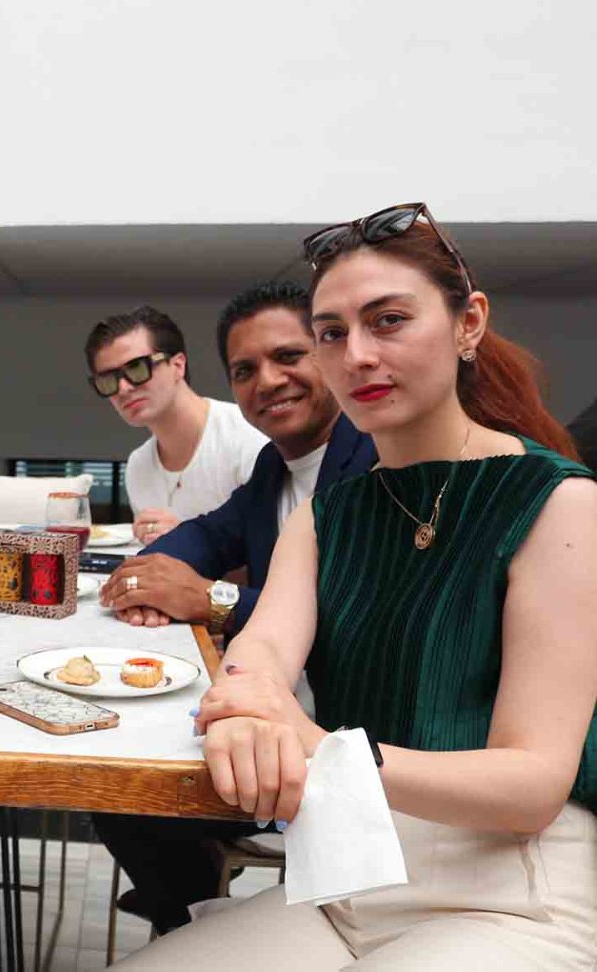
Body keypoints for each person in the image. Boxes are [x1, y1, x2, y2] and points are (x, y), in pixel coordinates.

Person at [116, 205, 596, 970]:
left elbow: (534, 783)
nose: (358, 355)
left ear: (469, 323)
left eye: (389, 321)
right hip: (348, 877)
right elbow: (262, 654)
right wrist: (243, 706)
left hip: (512, 892)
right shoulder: (328, 514)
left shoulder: (558, 503)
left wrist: (319, 746)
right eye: (333, 333)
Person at [90, 281, 376, 933]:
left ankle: (188, 917)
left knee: (127, 787)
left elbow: (344, 622)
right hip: (264, 715)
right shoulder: (275, 469)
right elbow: (205, 535)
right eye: (245, 370)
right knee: (114, 772)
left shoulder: (371, 462)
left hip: (337, 748)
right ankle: (189, 909)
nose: (267, 381)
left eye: (288, 356)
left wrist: (207, 598)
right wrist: (142, 581)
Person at [86, 305, 267, 544]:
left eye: (137, 368)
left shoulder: (248, 438)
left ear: (178, 366)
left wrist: (189, 538)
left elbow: (273, 553)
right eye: (108, 379)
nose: (123, 388)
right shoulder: (138, 467)